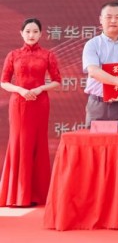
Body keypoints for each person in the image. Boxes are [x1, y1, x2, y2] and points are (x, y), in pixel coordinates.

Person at [0, 18, 61, 207]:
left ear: (41, 34)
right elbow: (4, 82)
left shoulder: (47, 55)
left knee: (37, 143)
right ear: (21, 33)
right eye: (27, 31)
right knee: (19, 142)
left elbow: (57, 81)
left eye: (35, 31)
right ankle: (17, 194)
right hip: (19, 103)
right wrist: (20, 90)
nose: (31, 35)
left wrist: (40, 88)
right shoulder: (13, 55)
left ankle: (36, 194)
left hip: (40, 103)